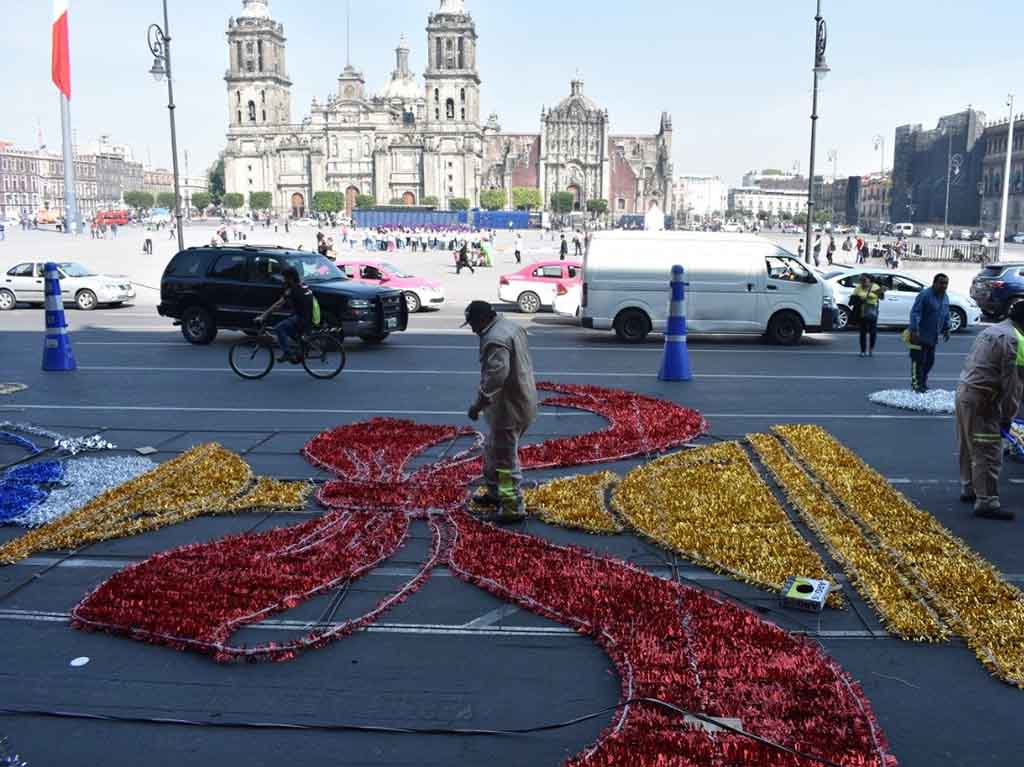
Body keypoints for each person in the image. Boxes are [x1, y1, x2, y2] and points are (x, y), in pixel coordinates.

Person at [464, 300, 538, 520]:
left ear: (482, 320)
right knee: (492, 450)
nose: (472, 329)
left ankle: (512, 507)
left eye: (472, 324)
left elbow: (496, 376)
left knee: (505, 461)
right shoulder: (509, 326)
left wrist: (477, 405)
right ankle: (495, 493)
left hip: (509, 409)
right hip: (522, 400)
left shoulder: (495, 339)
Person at [955, 300, 1024, 520]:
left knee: (968, 444)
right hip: (984, 400)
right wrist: (1008, 417)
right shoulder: (1013, 339)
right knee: (988, 450)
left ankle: (969, 488)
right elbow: (1012, 383)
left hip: (965, 393)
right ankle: (987, 502)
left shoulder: (992, 331)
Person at [257, 266, 319, 363]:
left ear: (290, 278)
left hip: (301, 318)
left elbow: (278, 304)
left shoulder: (292, 290)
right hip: (308, 317)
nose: (283, 280)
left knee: (279, 328)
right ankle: (300, 348)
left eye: (284, 278)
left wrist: (263, 316)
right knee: (287, 327)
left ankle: (287, 353)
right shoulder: (303, 285)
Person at [906, 274, 951, 393]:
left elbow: (946, 313)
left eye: (946, 283)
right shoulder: (925, 295)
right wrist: (914, 330)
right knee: (918, 361)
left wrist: (947, 328)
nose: (944, 286)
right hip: (919, 334)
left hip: (932, 336)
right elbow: (915, 312)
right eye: (941, 283)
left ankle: (923, 382)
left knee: (930, 361)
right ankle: (917, 385)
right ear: (934, 283)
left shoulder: (945, 297)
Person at [850, 274, 885, 357]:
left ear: (869, 280)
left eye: (864, 280)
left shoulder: (875, 286)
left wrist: (875, 294)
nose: (863, 282)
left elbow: (881, 297)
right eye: (861, 281)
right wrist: (859, 298)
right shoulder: (858, 287)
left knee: (873, 332)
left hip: (872, 311)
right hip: (861, 312)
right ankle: (863, 351)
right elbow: (853, 298)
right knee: (862, 332)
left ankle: (871, 350)